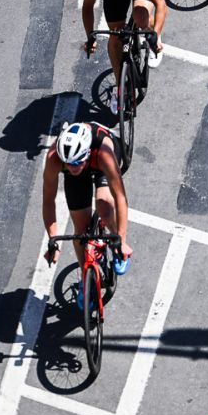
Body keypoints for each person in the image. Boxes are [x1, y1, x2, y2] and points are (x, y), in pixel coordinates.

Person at [42, 121, 132, 305]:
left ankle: (115, 246)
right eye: (68, 164)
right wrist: (52, 240)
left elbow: (120, 198)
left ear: (87, 152)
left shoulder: (103, 153)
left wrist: (121, 239)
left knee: (104, 205)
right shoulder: (55, 157)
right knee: (80, 231)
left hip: (100, 162)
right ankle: (86, 277)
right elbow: (48, 200)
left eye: (76, 163)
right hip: (83, 167)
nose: (73, 167)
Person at [81, 0, 166, 114]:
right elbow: (87, 6)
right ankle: (120, 87)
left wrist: (156, 35)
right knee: (115, 35)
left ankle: (150, 35)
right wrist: (90, 36)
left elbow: (160, 2)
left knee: (140, 16)